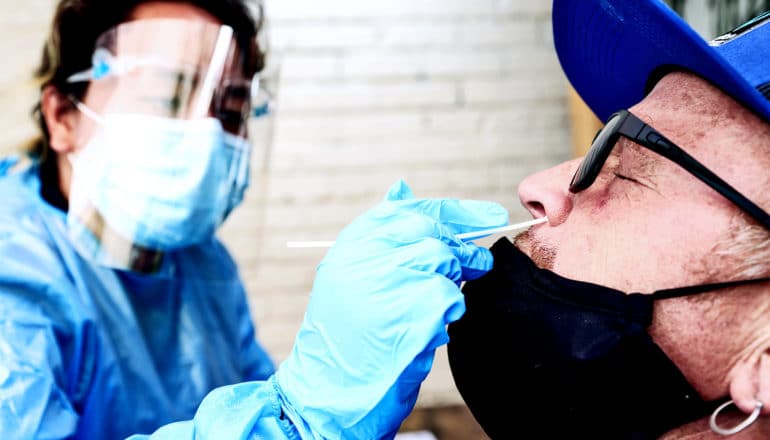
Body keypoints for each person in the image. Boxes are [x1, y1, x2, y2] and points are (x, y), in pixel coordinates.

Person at [0, 0, 276, 438]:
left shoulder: (204, 262)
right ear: (61, 117)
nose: (205, 136)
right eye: (168, 98)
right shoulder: (13, 277)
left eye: (230, 111)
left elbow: (258, 398)